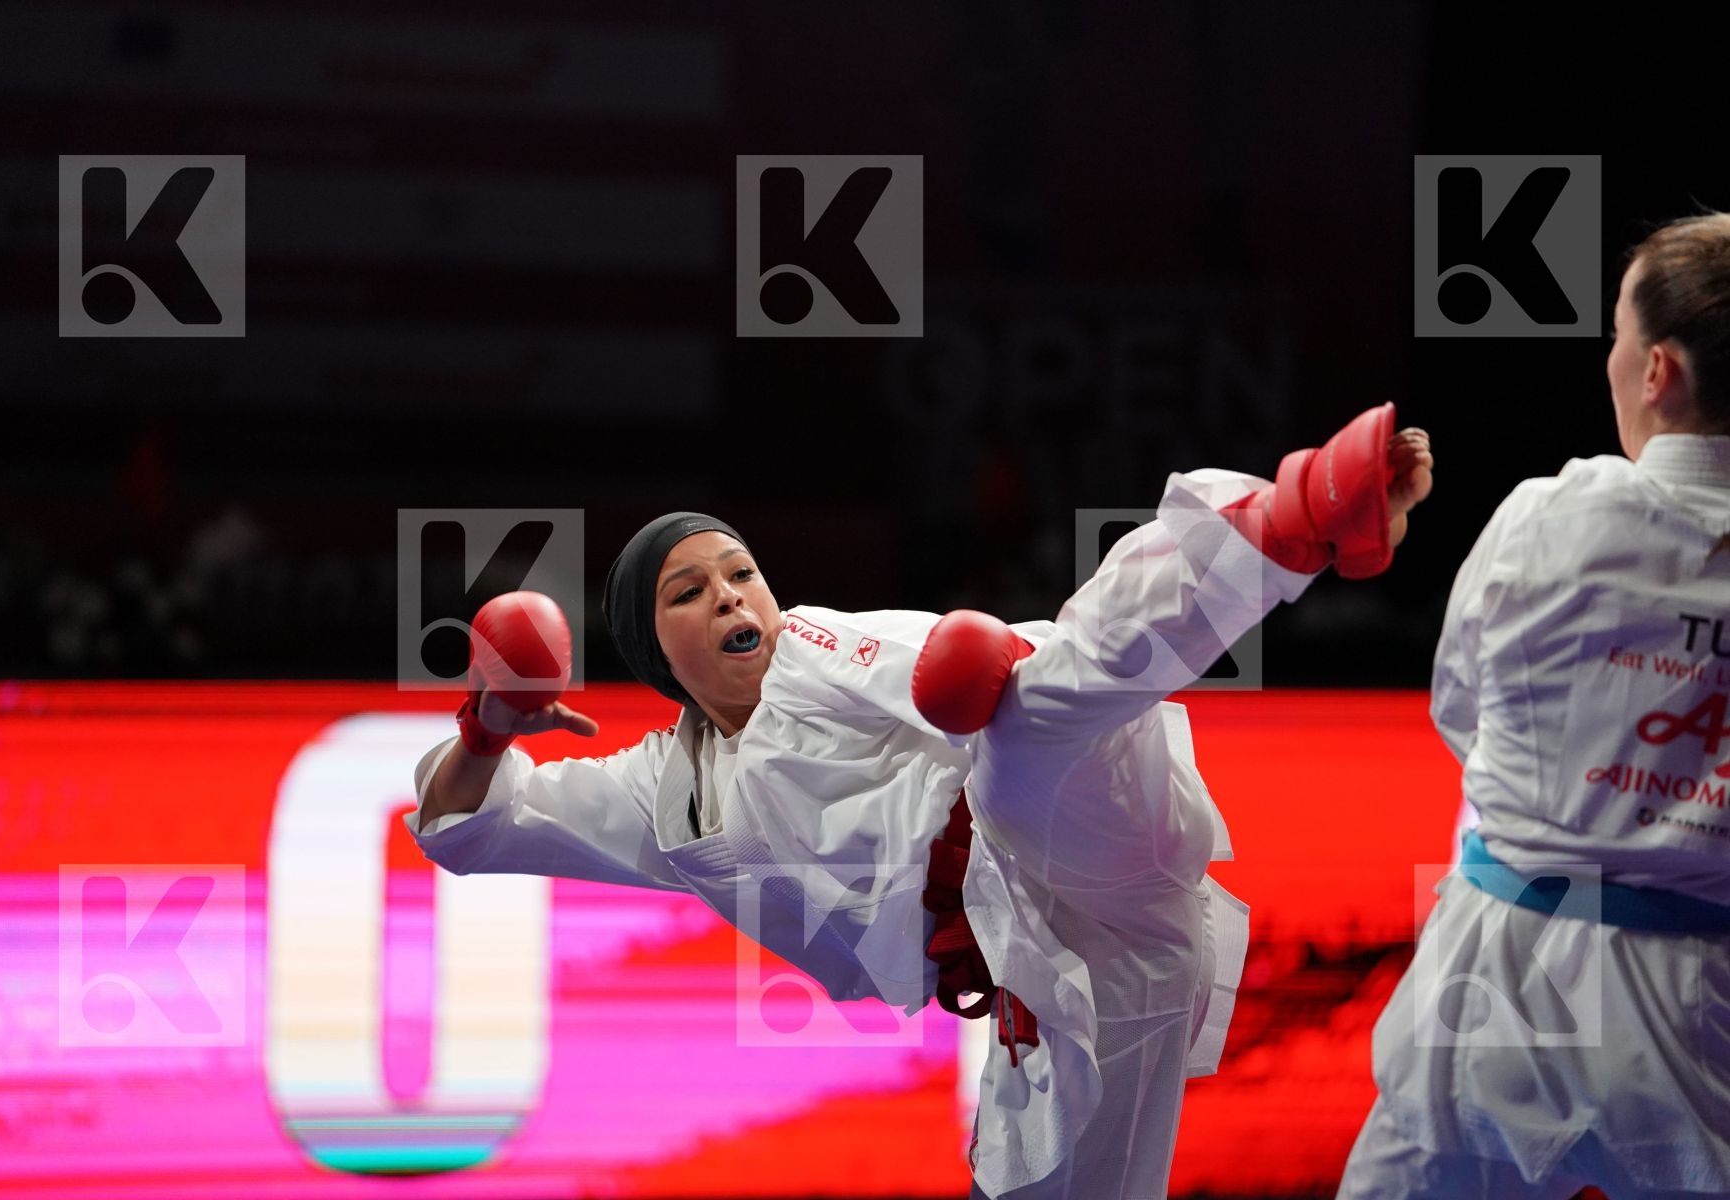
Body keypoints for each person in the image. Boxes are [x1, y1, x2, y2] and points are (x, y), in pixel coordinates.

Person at [409, 407, 1434, 1199]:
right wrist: (490, 725)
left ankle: (1295, 517)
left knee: (1028, 702)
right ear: (652, 653)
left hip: (1068, 836)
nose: (730, 595)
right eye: (689, 592)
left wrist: (987, 668)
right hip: (1056, 969)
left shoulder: (814, 647)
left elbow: (989, 666)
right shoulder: (658, 796)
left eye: (740, 573)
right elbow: (465, 830)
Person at [1338, 215, 1730, 1200]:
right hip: (1706, 1005)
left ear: (1659, 372)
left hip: (1502, 975)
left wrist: (1574, 801)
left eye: (1618, 336)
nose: (1611, 360)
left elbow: (1462, 712)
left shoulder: (1551, 519)